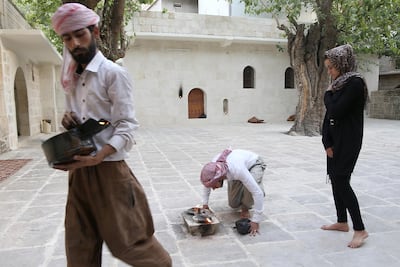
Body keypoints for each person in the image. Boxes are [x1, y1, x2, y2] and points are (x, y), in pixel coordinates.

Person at [51, 3, 172, 266]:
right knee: (79, 249)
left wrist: (100, 156)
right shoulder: (71, 78)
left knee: (132, 246)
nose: (74, 43)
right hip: (78, 174)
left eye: (79, 34)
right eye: (67, 38)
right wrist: (68, 122)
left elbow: (127, 126)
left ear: (95, 32)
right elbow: (78, 123)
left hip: (110, 173)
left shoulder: (113, 74)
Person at [321, 44, 369, 248]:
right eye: (328, 68)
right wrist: (326, 142)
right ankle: (342, 221)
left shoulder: (355, 83)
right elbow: (328, 116)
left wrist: (327, 95)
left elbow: (337, 111)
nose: (330, 72)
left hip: (348, 141)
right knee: (335, 179)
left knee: (341, 181)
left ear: (342, 64)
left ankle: (360, 229)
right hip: (334, 141)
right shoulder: (338, 85)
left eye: (332, 68)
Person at [200, 148, 266, 236]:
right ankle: (246, 181)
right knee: (233, 204)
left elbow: (257, 193)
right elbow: (207, 185)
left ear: (219, 179)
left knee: (252, 188)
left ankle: (246, 204)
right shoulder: (213, 168)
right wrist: (205, 205)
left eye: (214, 186)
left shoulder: (236, 170)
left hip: (254, 164)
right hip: (239, 168)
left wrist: (256, 221)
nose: (213, 188)